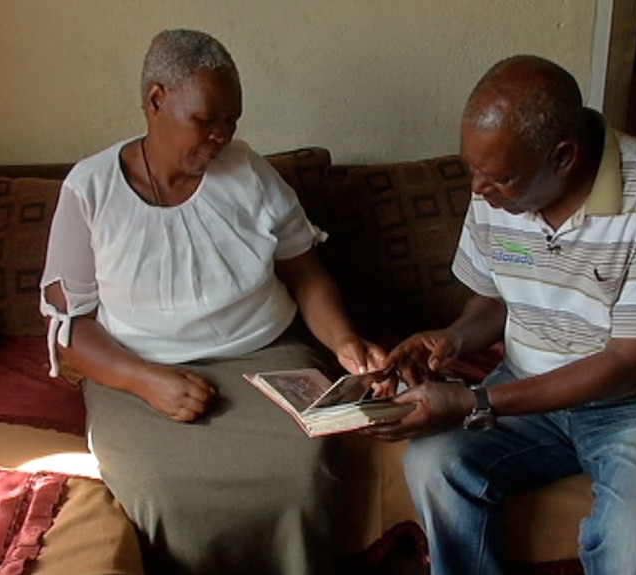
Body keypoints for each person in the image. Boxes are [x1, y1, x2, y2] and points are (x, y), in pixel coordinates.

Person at [39, 29, 387, 575]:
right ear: (156, 100)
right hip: (137, 368)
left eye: (232, 120)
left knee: (304, 468)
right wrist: (143, 380)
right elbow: (71, 330)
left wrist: (342, 340)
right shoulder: (90, 189)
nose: (222, 136)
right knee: (161, 490)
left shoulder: (248, 172)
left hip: (265, 355)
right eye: (207, 120)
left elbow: (306, 273)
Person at [369, 55, 636, 575]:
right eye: (472, 170)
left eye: (499, 179)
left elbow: (627, 361)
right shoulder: (493, 189)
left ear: (563, 157)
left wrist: (474, 399)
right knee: (433, 462)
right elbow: (490, 301)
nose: (478, 191)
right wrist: (453, 339)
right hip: (524, 386)